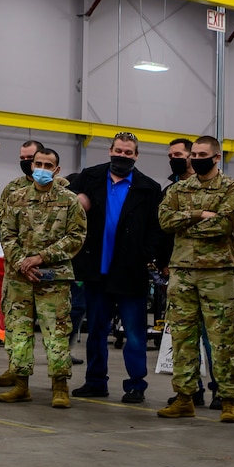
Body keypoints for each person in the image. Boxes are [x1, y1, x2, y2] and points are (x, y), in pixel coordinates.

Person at [68, 132, 167, 403]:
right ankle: (95, 381)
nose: (122, 156)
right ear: (110, 150)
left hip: (130, 272)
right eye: (118, 151)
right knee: (96, 330)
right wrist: (79, 197)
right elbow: (64, 199)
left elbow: (156, 229)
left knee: (135, 334)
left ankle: (136, 385)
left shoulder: (148, 188)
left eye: (128, 153)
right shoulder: (89, 177)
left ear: (136, 156)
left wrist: (144, 255)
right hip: (96, 271)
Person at [156, 135, 234, 422]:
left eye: (202, 154)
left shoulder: (232, 188)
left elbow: (225, 224)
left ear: (216, 157)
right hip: (182, 272)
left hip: (219, 273)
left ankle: (228, 400)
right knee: (182, 338)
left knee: (222, 339)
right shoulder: (178, 188)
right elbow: (164, 221)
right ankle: (185, 396)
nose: (196, 158)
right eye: (193, 154)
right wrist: (198, 214)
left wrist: (187, 224)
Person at [0, 145, 87, 408]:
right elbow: (7, 233)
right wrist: (22, 262)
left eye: (48, 166)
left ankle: (60, 387)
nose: (42, 170)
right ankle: (21, 385)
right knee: (19, 333)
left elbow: (76, 237)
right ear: (31, 166)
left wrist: (40, 258)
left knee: (56, 334)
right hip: (19, 278)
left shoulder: (69, 200)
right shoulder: (16, 197)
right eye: (38, 164)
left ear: (56, 170)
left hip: (53, 278)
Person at [0, 139, 44, 388]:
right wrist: (21, 260)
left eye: (30, 157)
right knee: (14, 322)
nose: (26, 162)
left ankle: (58, 378)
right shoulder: (12, 188)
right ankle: (15, 367)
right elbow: (2, 225)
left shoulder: (62, 189)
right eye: (22, 158)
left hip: (47, 268)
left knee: (53, 325)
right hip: (16, 268)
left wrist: (39, 258)